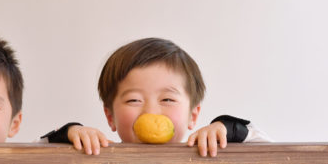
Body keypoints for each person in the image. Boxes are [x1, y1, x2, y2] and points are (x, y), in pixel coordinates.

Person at [42, 37, 270, 156]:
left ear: (193, 115)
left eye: (167, 100)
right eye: (134, 100)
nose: (151, 112)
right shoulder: (96, 152)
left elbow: (271, 151)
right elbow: (34, 152)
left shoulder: (206, 150)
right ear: (110, 116)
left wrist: (228, 129)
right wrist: (69, 133)